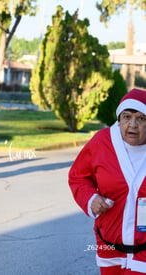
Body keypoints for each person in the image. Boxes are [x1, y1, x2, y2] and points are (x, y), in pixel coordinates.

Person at [69, 88, 146, 274]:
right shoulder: (102, 142)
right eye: (126, 117)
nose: (133, 125)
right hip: (108, 245)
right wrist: (90, 199)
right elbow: (79, 177)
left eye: (141, 118)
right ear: (119, 120)